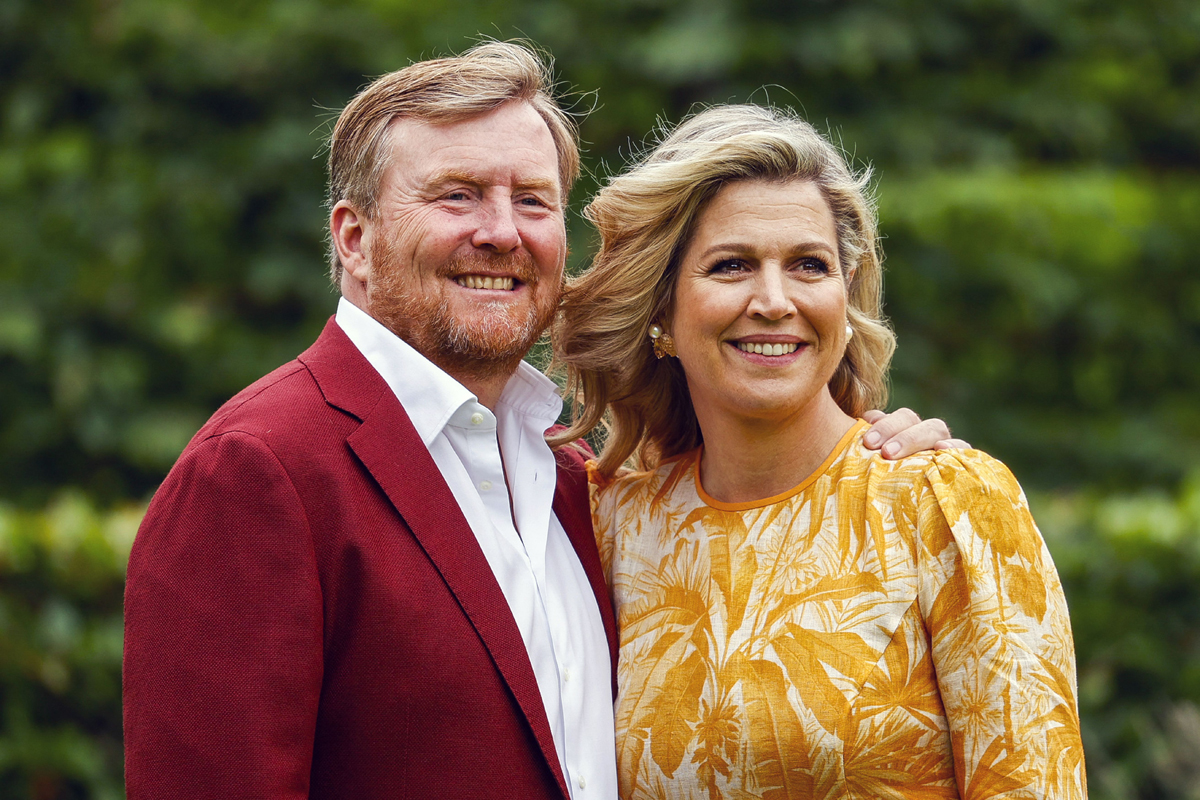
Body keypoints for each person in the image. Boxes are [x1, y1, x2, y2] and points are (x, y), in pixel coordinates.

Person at [123, 43, 957, 800]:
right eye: (457, 196)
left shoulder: (583, 486)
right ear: (353, 238)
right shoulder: (258, 473)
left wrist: (864, 467)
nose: (500, 232)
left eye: (531, 200)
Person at [553, 104, 1086, 799]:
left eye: (809, 265)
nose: (774, 300)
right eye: (732, 265)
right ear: (662, 313)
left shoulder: (946, 501)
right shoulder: (612, 518)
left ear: (845, 297)